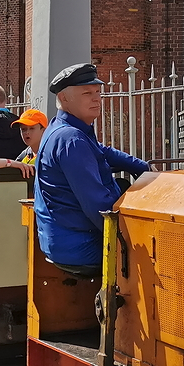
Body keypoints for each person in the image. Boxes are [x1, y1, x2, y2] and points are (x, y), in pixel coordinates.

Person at [34, 63, 149, 277]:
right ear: (64, 98)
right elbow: (98, 205)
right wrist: (127, 238)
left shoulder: (62, 129)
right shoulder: (72, 138)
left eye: (97, 91)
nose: (96, 98)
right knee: (156, 253)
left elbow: (100, 152)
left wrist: (140, 167)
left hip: (62, 239)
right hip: (80, 245)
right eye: (87, 93)